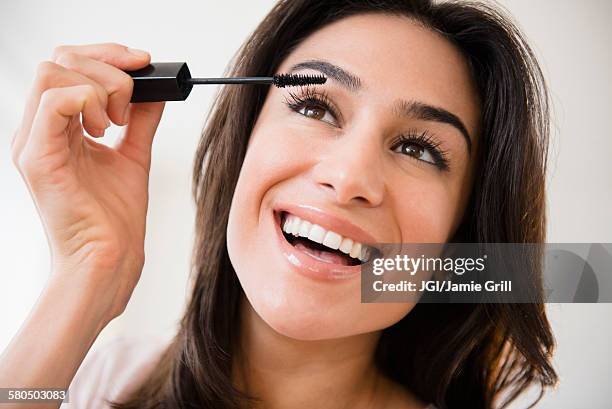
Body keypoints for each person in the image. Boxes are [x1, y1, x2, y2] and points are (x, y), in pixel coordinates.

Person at [1, 0, 558, 408]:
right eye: (315, 108)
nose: (348, 178)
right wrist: (88, 272)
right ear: (242, 141)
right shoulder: (94, 382)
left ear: (460, 232)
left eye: (418, 149)